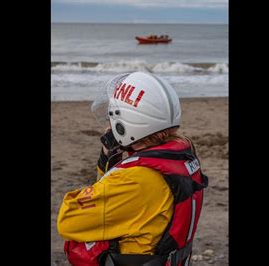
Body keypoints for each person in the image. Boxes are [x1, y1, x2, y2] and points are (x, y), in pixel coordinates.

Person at [57, 72, 208, 266]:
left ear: (125, 122)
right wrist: (109, 156)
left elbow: (68, 221)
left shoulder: (135, 179)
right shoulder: (181, 157)